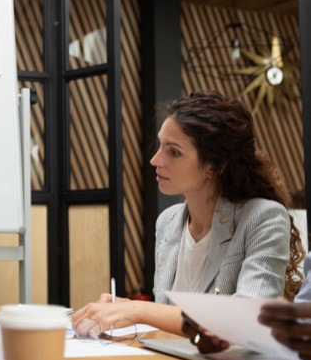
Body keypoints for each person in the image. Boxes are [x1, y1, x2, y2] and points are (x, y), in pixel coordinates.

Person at [71, 91, 305, 337]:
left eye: (173, 152)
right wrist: (124, 309)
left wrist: (138, 310)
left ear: (214, 166)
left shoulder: (263, 217)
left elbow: (250, 318)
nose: (155, 159)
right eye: (160, 145)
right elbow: (168, 321)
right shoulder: (168, 221)